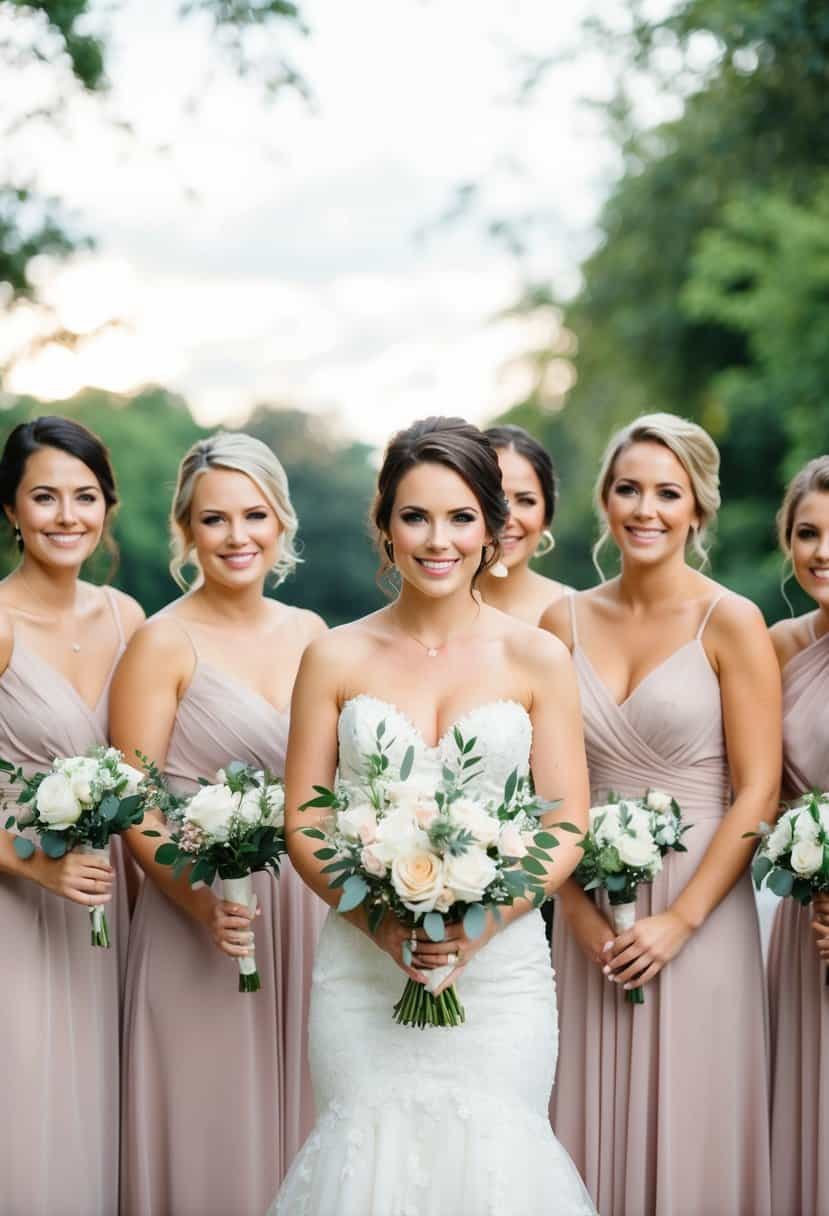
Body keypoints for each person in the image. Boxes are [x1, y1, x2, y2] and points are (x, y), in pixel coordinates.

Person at [271, 416, 595, 1215]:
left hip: (500, 979)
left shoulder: (538, 658)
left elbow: (565, 823)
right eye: (414, 516)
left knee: (498, 1162)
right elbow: (304, 823)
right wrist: (381, 926)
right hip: (360, 972)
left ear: (493, 527)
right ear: (384, 527)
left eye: (459, 517)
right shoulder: (333, 657)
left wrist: (479, 924)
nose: (436, 539)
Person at [543, 412, 780, 1216]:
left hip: (701, 911)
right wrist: (571, 911)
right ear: (605, 502)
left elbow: (757, 789)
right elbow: (541, 794)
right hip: (586, 926)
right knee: (578, 1129)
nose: (645, 509)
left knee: (698, 1122)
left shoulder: (731, 621)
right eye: (628, 489)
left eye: (666, 493)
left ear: (697, 510)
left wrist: (678, 920)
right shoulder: (559, 623)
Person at [112, 432, 326, 1216]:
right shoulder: (161, 641)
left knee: (310, 1126)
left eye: (254, 515)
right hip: (196, 913)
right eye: (214, 520)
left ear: (281, 523)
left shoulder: (312, 633)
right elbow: (132, 799)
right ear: (186, 530)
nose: (237, 538)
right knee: (211, 1126)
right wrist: (200, 900)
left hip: (303, 914)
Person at [0, 416, 143, 1216]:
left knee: (92, 1112)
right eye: (44, 497)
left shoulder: (126, 618)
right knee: (21, 1118)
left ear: (107, 507)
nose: (66, 517)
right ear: (12, 512)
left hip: (107, 909)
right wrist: (32, 861)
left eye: (84, 497)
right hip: (16, 904)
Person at [766, 456, 829, 1216]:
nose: (823, 551)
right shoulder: (778, 647)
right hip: (802, 919)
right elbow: (760, 787)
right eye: (808, 533)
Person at [481, 423, 571, 623]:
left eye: (525, 501)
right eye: (493, 499)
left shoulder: (576, 615)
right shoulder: (430, 611)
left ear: (547, 514)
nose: (507, 519)